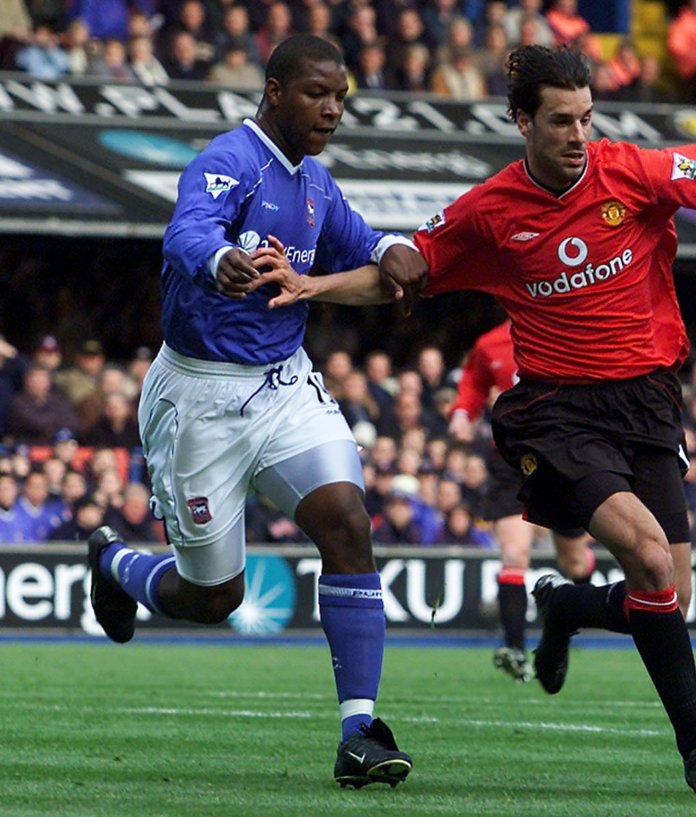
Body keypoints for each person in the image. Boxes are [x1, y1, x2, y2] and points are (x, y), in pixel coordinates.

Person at [252, 44, 696, 796]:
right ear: (521, 121)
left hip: (648, 404)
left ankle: (566, 604)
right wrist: (310, 283)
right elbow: (400, 273)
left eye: (586, 118)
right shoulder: (488, 212)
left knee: (668, 589)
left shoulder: (638, 173)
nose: (578, 135)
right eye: (559, 121)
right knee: (647, 556)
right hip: (557, 413)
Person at [83, 34, 422, 791]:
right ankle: (113, 564)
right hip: (198, 398)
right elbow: (186, 234)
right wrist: (217, 259)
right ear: (274, 91)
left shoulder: (314, 185)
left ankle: (359, 730)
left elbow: (362, 239)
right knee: (214, 597)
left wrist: (396, 245)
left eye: (340, 97)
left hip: (281, 386)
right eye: (316, 94)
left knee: (347, 517)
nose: (332, 108)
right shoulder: (228, 163)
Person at [448, 318, 595, 683]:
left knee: (575, 562)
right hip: (511, 459)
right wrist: (463, 414)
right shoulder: (489, 344)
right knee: (514, 555)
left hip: (561, 456)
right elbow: (473, 385)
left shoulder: (564, 329)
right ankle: (514, 648)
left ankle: (562, 627)